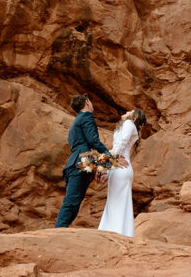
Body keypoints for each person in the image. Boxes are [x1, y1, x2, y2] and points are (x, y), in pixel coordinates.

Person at [55, 94, 128, 228]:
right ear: (87, 103)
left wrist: (101, 168)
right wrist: (111, 158)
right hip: (82, 162)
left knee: (74, 201)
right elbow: (93, 141)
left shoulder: (76, 122)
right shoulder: (87, 117)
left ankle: (60, 229)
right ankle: (57, 231)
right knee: (72, 202)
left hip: (75, 163)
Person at [97, 109, 146, 237]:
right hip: (117, 166)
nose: (127, 111)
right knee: (114, 201)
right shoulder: (125, 125)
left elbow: (122, 143)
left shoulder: (129, 124)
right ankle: (111, 231)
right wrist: (107, 171)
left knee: (119, 202)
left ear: (134, 116)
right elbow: (116, 147)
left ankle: (118, 233)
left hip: (121, 167)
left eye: (131, 111)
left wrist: (107, 164)